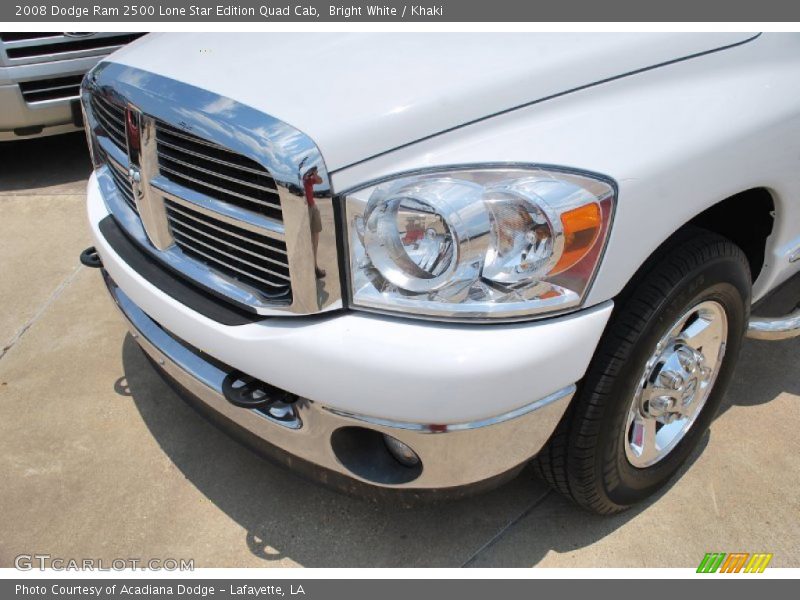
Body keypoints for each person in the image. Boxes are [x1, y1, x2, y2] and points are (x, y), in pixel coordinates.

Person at [302, 166, 325, 278]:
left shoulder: (309, 180)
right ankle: (310, 267)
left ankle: (315, 266)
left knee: (315, 237)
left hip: (312, 207)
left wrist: (314, 174)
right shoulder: (302, 179)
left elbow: (321, 181)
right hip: (304, 208)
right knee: (305, 240)